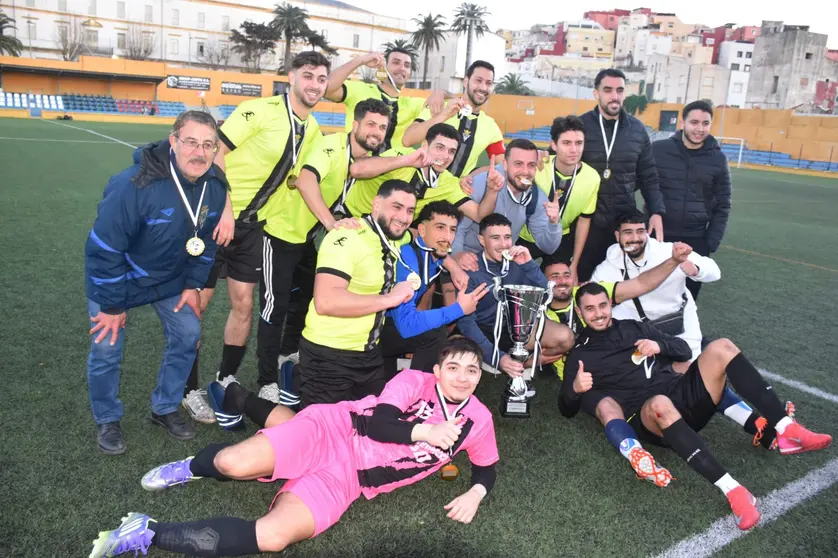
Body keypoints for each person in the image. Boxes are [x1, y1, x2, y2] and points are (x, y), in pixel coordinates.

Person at [89, 338, 499, 558]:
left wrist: (477, 492)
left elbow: (487, 467)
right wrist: (424, 433)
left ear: (480, 375)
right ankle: (193, 466)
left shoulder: (478, 419)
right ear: (438, 370)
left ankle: (144, 532)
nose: (462, 378)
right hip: (332, 430)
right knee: (233, 463)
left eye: (472, 370)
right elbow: (379, 422)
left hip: (348, 480)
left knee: (274, 536)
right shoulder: (414, 382)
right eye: (454, 368)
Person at [560, 282, 832, 529]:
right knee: (660, 403)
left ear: (611, 304)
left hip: (682, 397)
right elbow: (566, 408)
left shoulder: (633, 327)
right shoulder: (581, 353)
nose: (598, 314)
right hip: (652, 419)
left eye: (603, 305)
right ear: (580, 312)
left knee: (721, 347)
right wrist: (575, 388)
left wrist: (658, 345)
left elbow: (684, 350)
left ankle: (786, 428)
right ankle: (735, 491)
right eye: (590, 309)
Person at [84, 111, 227, 455]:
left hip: (170, 280)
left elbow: (204, 241)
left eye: (208, 144)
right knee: (106, 347)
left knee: (188, 334)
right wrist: (114, 305)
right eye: (191, 141)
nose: (199, 152)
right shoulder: (133, 184)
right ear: (173, 141)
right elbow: (104, 248)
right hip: (122, 276)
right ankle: (107, 417)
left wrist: (193, 284)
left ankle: (164, 407)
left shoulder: (215, 185)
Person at [200, 51, 330, 405]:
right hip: (214, 219)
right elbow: (216, 152)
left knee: (243, 306)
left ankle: (224, 378)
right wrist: (225, 209)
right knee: (197, 305)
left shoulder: (314, 129)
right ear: (291, 77)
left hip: (253, 228)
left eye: (321, 79)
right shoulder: (258, 110)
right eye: (307, 76)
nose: (314, 85)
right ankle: (187, 389)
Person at [592, 211, 776, 449]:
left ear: (647, 232)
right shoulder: (606, 269)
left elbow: (714, 271)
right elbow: (603, 309)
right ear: (617, 235)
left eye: (640, 231)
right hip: (644, 340)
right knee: (668, 381)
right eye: (628, 232)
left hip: (680, 331)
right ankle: (749, 422)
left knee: (695, 373)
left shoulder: (667, 251)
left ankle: (756, 422)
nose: (635, 238)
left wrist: (694, 267)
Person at [295, 180, 420, 406]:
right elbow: (326, 300)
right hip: (328, 356)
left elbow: (419, 235)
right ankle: (244, 400)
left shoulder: (393, 234)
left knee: (372, 428)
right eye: (397, 207)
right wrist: (391, 299)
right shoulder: (346, 236)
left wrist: (454, 263)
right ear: (376, 204)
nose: (403, 217)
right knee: (321, 434)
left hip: (369, 354)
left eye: (410, 210)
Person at [541, 242, 701, 379]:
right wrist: (536, 360)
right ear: (542, 280)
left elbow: (641, 284)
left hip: (620, 361)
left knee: (686, 368)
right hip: (585, 378)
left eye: (566, 275)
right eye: (554, 276)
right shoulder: (538, 312)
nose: (562, 281)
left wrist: (673, 261)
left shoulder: (589, 293)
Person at [457, 214, 575, 387]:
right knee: (457, 351)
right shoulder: (471, 267)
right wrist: (496, 357)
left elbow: (546, 297)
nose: (503, 244)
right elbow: (466, 322)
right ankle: (492, 358)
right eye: (495, 238)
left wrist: (529, 264)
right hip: (483, 332)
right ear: (482, 240)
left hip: (517, 328)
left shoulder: (518, 262)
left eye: (507, 237)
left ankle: (520, 363)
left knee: (566, 338)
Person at [380, 201, 490, 376]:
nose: (447, 236)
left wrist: (454, 268)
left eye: (452, 230)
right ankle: (416, 391)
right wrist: (459, 309)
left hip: (383, 326)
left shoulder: (432, 256)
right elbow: (407, 325)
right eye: (440, 227)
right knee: (434, 333)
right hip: (365, 333)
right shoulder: (408, 257)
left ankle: (405, 385)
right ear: (422, 230)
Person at [577, 68, 666, 282]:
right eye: (608, 90)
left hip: (622, 220)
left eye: (620, 90)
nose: (614, 96)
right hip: (585, 219)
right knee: (582, 279)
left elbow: (649, 175)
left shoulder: (637, 130)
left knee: (619, 280)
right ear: (596, 93)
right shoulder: (580, 125)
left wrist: (656, 210)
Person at [654, 100, 732, 301]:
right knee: (651, 295)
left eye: (705, 123)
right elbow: (641, 185)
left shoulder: (718, 159)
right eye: (694, 122)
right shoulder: (658, 150)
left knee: (686, 300)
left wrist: (710, 243)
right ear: (682, 123)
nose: (700, 128)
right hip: (660, 238)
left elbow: (723, 204)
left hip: (696, 240)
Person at [345, 123, 484, 227]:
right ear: (424, 145)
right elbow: (356, 169)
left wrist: (493, 190)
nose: (445, 156)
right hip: (350, 217)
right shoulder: (402, 155)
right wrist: (407, 161)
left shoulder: (448, 182)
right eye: (440, 147)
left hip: (388, 231)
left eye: (451, 151)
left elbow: (478, 215)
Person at [451, 139, 562, 263]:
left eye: (531, 165)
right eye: (518, 164)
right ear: (505, 164)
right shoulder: (480, 184)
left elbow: (548, 247)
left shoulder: (536, 197)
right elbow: (458, 229)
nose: (525, 172)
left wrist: (554, 223)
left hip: (500, 263)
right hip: (468, 259)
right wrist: (457, 255)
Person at [519, 116, 600, 282]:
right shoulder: (538, 166)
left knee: (560, 285)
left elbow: (584, 221)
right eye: (566, 143)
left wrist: (574, 264)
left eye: (579, 143)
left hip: (560, 239)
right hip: (525, 236)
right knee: (513, 282)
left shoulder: (592, 178)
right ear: (554, 145)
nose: (574, 150)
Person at [324, 48, 444, 154]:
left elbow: (456, 102)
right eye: (396, 63)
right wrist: (360, 60)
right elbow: (327, 88)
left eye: (407, 65)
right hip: (354, 170)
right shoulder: (360, 90)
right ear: (383, 67)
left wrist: (441, 92)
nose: (402, 68)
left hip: (392, 174)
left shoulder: (413, 103)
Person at [402, 60, 505, 183]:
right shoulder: (440, 106)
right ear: (466, 82)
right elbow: (407, 139)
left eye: (488, 83)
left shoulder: (490, 126)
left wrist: (473, 175)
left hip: (455, 193)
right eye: (478, 80)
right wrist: (443, 115)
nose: (483, 87)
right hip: (420, 184)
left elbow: (504, 164)